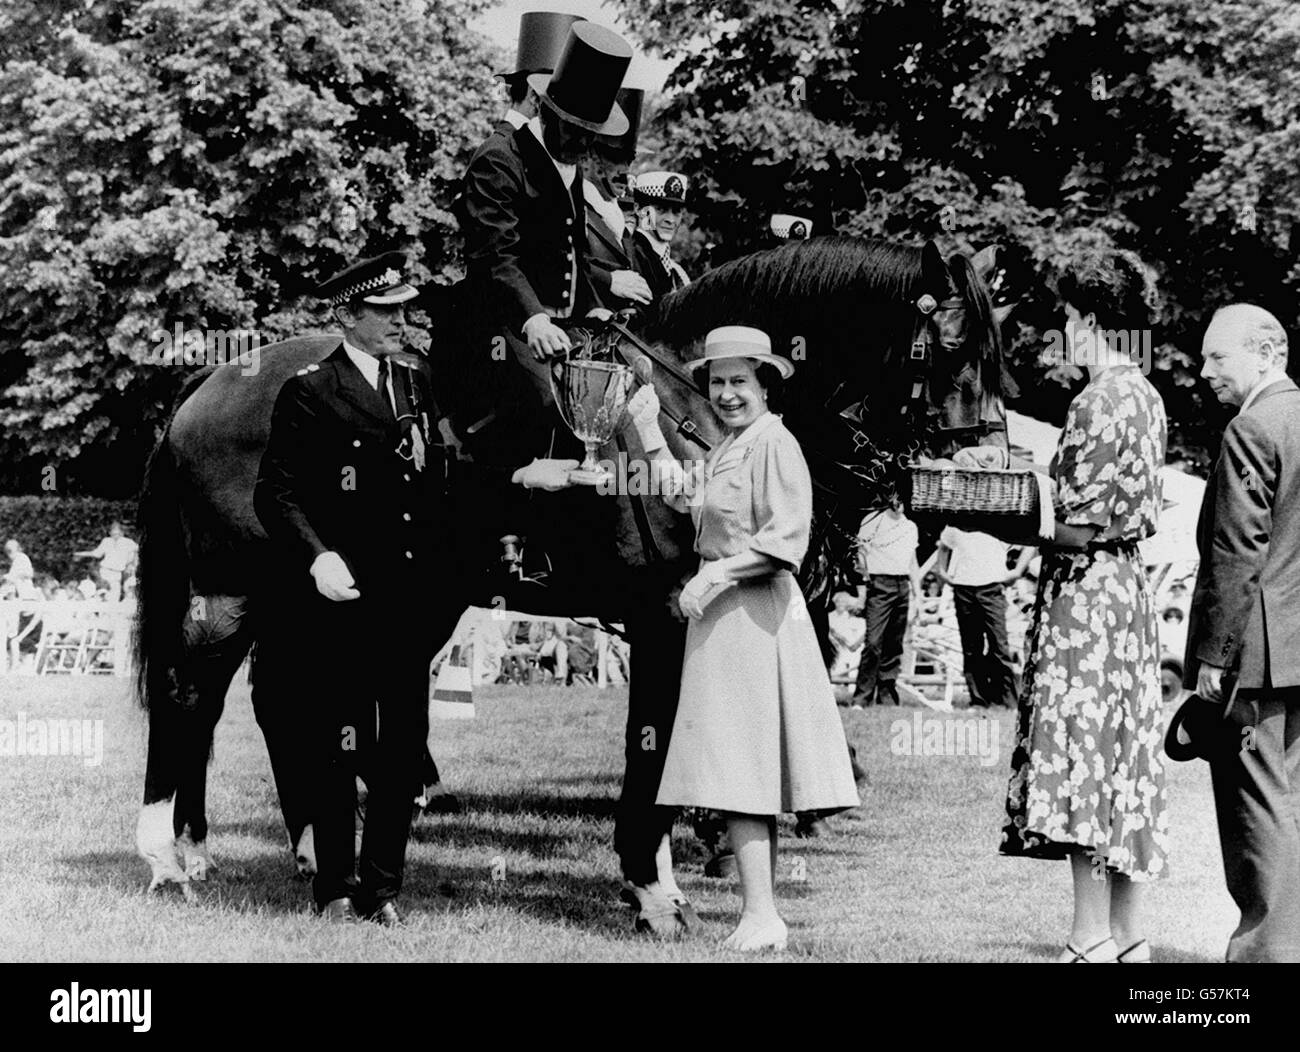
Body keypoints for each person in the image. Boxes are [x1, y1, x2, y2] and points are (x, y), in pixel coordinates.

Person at [627, 325, 860, 951]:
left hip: (753, 615)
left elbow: (785, 541)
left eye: (740, 382)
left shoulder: (774, 443)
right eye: (718, 382)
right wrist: (649, 431)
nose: (727, 393)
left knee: (744, 770)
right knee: (737, 772)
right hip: (725, 622)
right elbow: (686, 499)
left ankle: (763, 914)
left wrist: (715, 577)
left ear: (766, 385)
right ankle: (761, 914)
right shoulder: (733, 445)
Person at [254, 252, 464, 925]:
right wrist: (317, 558)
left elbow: (438, 486)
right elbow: (277, 492)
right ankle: (337, 888)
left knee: (402, 750)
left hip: (408, 601)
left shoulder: (416, 385)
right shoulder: (311, 390)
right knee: (339, 745)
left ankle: (384, 889)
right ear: (349, 316)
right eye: (388, 311)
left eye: (407, 309)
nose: (404, 320)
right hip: (340, 601)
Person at [999, 249, 1168, 963]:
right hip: (1126, 592)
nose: (1063, 329)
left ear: (1090, 320)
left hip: (1087, 594)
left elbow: (1078, 523)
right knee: (1121, 761)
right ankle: (1129, 939)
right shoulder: (1148, 395)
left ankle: (1088, 936)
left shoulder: (1095, 401)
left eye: (1069, 316)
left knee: (1079, 761)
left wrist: (1015, 510)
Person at [1182, 303, 1300, 962]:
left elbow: (1236, 553)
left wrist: (1212, 659)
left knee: (1256, 815)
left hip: (1252, 663)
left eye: (1216, 357)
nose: (1203, 372)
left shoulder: (1251, 427)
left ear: (1267, 353)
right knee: (1289, 809)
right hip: (1296, 654)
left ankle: (1267, 955)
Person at [934, 528, 1032, 709]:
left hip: (992, 587)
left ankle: (1005, 700)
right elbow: (944, 547)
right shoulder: (956, 522)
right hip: (963, 588)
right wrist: (942, 571)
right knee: (972, 648)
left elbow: (1030, 542)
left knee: (999, 645)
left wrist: (1017, 571)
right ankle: (979, 700)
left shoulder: (997, 517)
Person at [584, 88, 654, 313]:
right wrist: (609, 280)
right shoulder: (573, 207)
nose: (625, 171)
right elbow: (557, 265)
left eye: (630, 160)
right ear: (589, 157)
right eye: (615, 159)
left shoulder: (618, 217)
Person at [851, 502, 920, 707]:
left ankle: (887, 696)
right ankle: (862, 698)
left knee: (894, 644)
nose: (899, 503)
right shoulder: (873, 521)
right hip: (879, 583)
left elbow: (912, 561)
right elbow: (860, 554)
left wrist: (919, 595)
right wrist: (863, 588)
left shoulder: (910, 526)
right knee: (873, 643)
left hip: (902, 585)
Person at [632, 171, 691, 295]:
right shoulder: (630, 255)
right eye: (660, 209)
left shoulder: (676, 270)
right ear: (639, 209)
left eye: (676, 212)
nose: (670, 220)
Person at [75, 521, 138, 600]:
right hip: (104, 571)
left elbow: (137, 550)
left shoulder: (128, 542)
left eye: (118, 534)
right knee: (102, 594)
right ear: (110, 533)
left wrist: (131, 563)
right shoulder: (106, 541)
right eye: (113, 534)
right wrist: (81, 554)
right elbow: (96, 553)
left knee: (114, 597)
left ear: (122, 533)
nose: (115, 536)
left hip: (117, 573)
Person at [827, 590, 866, 683]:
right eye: (838, 601)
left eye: (844, 601)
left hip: (848, 648)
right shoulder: (829, 617)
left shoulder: (851, 619)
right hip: (835, 647)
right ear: (835, 602)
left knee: (855, 657)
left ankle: (853, 681)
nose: (841, 604)